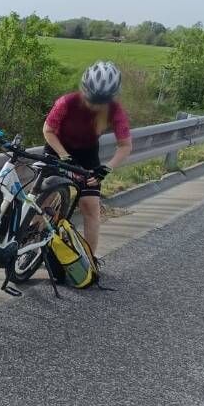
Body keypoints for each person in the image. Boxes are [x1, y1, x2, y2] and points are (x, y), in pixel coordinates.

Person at [42, 60, 133, 259]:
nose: (94, 106)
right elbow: (48, 130)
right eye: (91, 99)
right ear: (84, 88)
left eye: (100, 102)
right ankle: (30, 238)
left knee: (90, 207)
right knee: (40, 200)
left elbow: (125, 146)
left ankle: (89, 260)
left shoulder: (116, 111)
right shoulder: (66, 101)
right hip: (57, 149)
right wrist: (64, 156)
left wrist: (106, 169)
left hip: (87, 156)